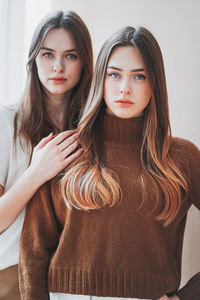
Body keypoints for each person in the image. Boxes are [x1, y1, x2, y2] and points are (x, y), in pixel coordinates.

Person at [19, 26, 200, 300]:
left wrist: (187, 297)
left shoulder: (181, 157)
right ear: (100, 81)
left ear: (155, 83)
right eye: (114, 74)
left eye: (139, 76)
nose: (124, 88)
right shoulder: (63, 149)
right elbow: (33, 249)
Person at [0, 10, 93, 300]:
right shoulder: (6, 124)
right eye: (48, 54)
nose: (58, 67)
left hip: (78, 282)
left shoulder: (95, 133)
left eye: (71, 56)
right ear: (33, 60)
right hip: (14, 276)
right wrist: (36, 172)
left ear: (85, 63)